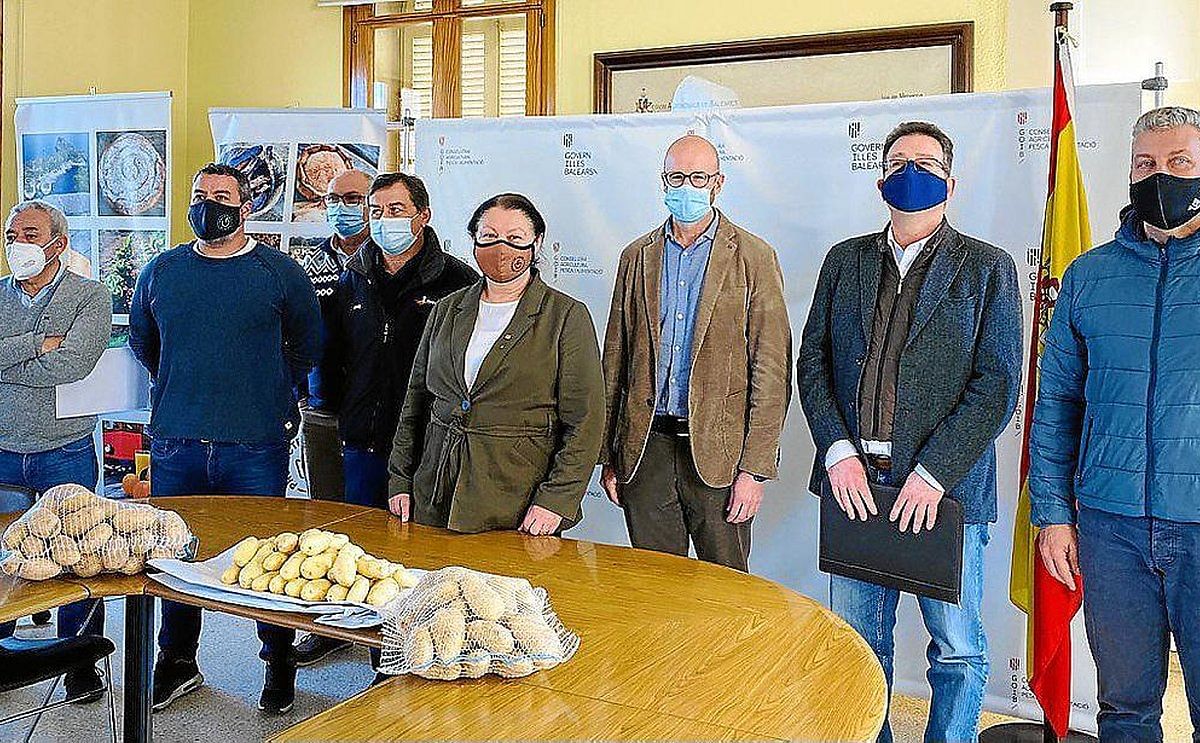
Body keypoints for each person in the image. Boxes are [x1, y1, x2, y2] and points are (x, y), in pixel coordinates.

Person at [797, 121, 1022, 743]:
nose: (911, 171)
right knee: (858, 647)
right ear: (880, 178)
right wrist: (837, 452)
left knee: (956, 649)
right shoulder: (846, 260)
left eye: (925, 161)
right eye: (899, 161)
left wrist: (933, 473)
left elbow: (997, 386)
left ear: (951, 180)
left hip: (943, 493)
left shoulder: (987, 267)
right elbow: (812, 360)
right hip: (855, 486)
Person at [1029, 106, 1200, 742]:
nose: (1163, 176)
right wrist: (1051, 514)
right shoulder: (1088, 277)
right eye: (1147, 164)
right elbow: (1057, 405)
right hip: (1110, 529)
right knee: (1125, 710)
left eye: (1181, 162)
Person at [128, 163, 322, 716]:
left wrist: (261, 390)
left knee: (268, 558)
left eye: (221, 195)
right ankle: (177, 661)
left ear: (246, 206)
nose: (209, 203)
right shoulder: (162, 271)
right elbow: (146, 343)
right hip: (177, 440)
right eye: (199, 195)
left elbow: (306, 347)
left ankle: (277, 659)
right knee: (175, 558)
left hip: (256, 443)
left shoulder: (279, 273)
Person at [294, 173, 475, 668]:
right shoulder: (350, 275)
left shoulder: (457, 282)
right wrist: (323, 406)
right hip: (359, 434)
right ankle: (345, 625)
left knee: (415, 545)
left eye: (396, 209)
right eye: (377, 210)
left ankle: (407, 645)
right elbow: (331, 352)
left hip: (424, 437)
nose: (384, 220)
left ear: (424, 215)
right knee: (356, 537)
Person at [598, 134, 792, 573]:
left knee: (726, 589)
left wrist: (755, 469)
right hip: (645, 449)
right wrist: (610, 454)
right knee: (656, 584)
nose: (687, 187)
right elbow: (615, 359)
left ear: (717, 182)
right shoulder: (635, 256)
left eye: (698, 177)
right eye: (676, 177)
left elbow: (772, 368)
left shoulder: (753, 257)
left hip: (720, 458)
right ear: (663, 181)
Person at [387, 192, 605, 535]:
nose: (501, 248)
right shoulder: (446, 309)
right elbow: (416, 401)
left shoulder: (565, 317)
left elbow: (586, 421)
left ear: (537, 242)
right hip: (435, 493)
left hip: (517, 502)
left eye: (515, 238)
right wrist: (400, 478)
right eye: (489, 236)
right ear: (474, 240)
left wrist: (556, 500)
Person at [0, 199, 112, 703]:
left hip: (64, 448)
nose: (16, 244)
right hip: (3, 447)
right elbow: (49, 355)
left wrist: (11, 362)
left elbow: (74, 364)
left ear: (58, 244)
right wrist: (36, 342)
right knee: (3, 558)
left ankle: (81, 662)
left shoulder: (90, 296)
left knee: (77, 557)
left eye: (29, 234)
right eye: (10, 234)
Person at [298, 168, 374, 504]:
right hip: (322, 408)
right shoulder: (310, 262)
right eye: (333, 199)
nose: (341, 207)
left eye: (352, 199)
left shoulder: (387, 262)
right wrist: (302, 394)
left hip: (377, 414)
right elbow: (296, 332)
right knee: (325, 509)